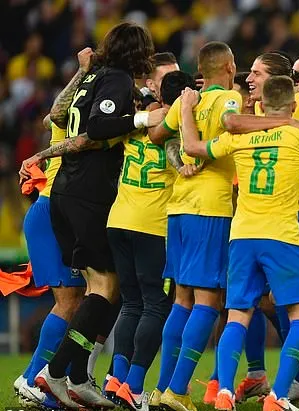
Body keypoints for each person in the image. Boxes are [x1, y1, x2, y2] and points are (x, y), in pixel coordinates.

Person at [179, 75, 299, 411]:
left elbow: (192, 148)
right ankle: (278, 396)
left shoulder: (240, 137)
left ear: (261, 107)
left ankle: (223, 390)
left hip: (242, 236)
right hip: (282, 236)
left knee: (238, 315)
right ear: (293, 107)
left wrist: (186, 109)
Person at [31, 22, 162, 410]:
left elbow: (56, 115)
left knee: (97, 288)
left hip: (66, 191)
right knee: (106, 289)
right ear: (136, 52)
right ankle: (54, 373)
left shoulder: (93, 77)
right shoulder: (117, 78)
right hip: (88, 194)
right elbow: (100, 126)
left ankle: (75, 378)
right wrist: (141, 120)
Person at [106, 70, 196, 410]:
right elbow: (181, 153)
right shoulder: (173, 133)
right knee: (156, 305)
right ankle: (136, 384)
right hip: (153, 228)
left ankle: (117, 379)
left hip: (118, 221)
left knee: (130, 304)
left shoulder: (134, 127)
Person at [14, 47, 93, 410]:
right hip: (54, 209)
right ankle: (35, 379)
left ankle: (45, 378)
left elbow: (51, 117)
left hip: (56, 209)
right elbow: (50, 118)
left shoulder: (69, 112)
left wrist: (80, 72)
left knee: (78, 301)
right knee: (69, 302)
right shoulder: (86, 114)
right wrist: (83, 72)